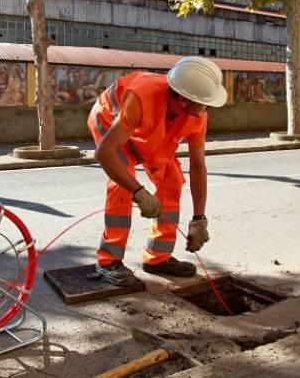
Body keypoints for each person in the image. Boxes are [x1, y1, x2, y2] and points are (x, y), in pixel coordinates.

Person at [87, 56, 227, 286]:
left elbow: (198, 165)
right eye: (205, 102)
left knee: (171, 180)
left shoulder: (196, 116)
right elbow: (104, 153)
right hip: (109, 120)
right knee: (122, 181)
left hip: (147, 130)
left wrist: (199, 218)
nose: (208, 107)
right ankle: (108, 261)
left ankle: (157, 257)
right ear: (184, 99)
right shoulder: (143, 97)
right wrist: (139, 192)